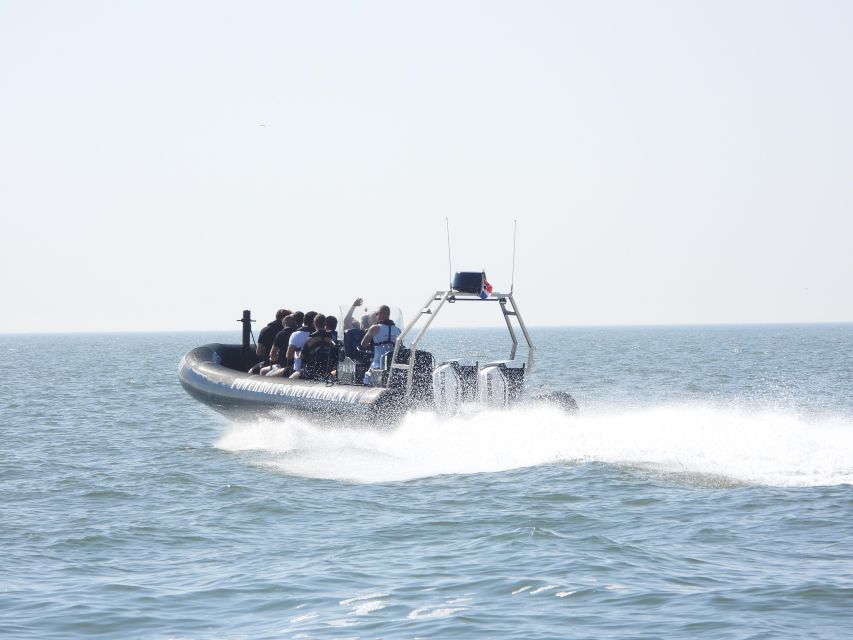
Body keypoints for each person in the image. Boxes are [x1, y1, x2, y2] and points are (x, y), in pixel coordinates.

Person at [361, 304, 401, 385]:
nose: (376, 316)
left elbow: (363, 344)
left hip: (377, 365)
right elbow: (400, 347)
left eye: (376, 314)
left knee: (366, 378)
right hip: (391, 365)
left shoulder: (375, 328)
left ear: (381, 314)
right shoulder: (398, 330)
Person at [291, 314, 339, 381]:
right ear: (325, 324)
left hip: (311, 373)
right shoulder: (331, 340)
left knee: (292, 377)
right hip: (327, 372)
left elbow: (302, 357)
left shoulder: (311, 339)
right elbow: (335, 357)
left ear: (314, 324)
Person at [248, 308, 289, 374]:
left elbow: (258, 352)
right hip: (285, 362)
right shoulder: (288, 331)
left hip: (270, 361)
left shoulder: (265, 330)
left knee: (250, 372)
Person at [261, 312, 301, 376]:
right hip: (298, 365)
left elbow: (272, 355)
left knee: (264, 373)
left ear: (284, 324)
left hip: (284, 366)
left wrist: (277, 358)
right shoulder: (299, 333)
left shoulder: (281, 334)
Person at [285, 311, 317, 377]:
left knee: (269, 374)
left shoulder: (296, 334)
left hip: (298, 370)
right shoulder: (322, 336)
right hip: (317, 370)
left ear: (304, 321)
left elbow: (289, 356)